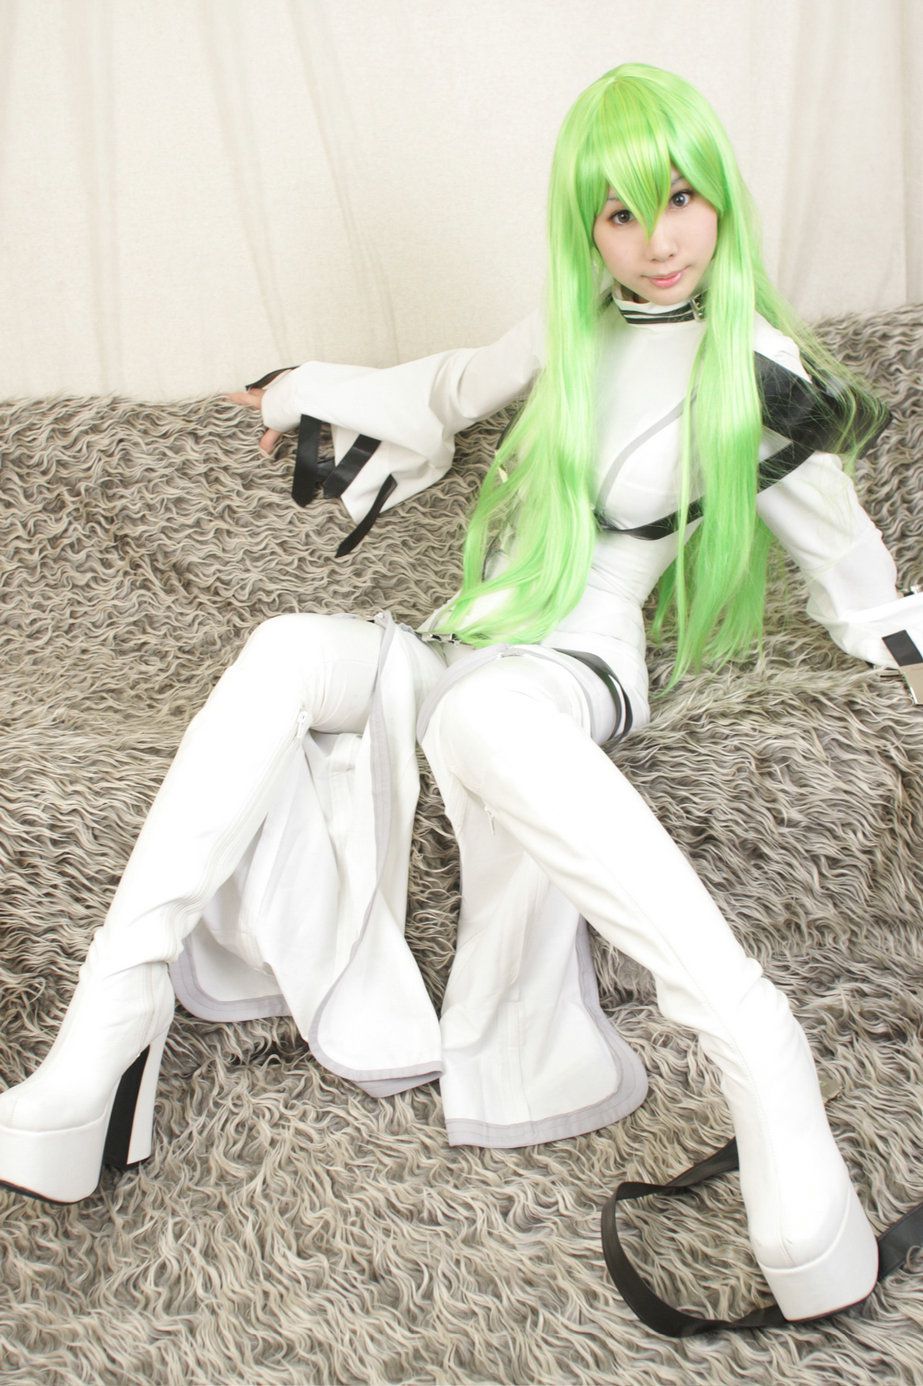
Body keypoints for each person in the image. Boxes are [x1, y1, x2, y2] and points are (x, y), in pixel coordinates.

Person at [1, 63, 920, 1330]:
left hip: (572, 669)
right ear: (584, 227)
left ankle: (758, 1049)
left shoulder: (761, 382)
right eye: (617, 213)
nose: (655, 241)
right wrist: (302, 394)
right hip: (468, 638)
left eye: (679, 199)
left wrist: (896, 645)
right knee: (284, 650)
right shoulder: (571, 323)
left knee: (478, 718)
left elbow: (857, 586)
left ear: (720, 199)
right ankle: (103, 1035)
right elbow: (444, 389)